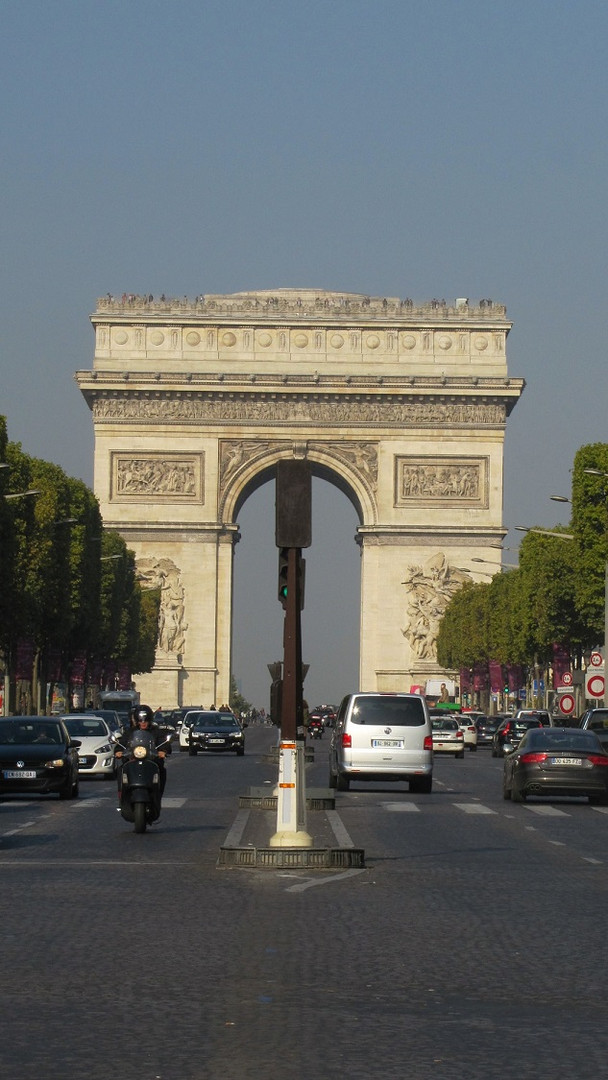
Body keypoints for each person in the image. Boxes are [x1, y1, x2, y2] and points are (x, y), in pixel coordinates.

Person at [115, 703, 171, 795]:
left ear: (150, 720)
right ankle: (122, 794)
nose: (143, 722)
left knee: (161, 769)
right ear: (137, 720)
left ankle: (158, 793)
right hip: (132, 759)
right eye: (140, 720)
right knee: (122, 769)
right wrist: (118, 751)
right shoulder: (130, 732)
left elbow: (163, 742)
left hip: (152, 760)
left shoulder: (156, 731)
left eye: (146, 720)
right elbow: (122, 742)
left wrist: (163, 751)